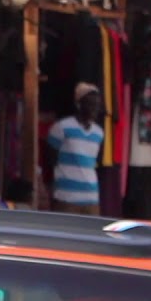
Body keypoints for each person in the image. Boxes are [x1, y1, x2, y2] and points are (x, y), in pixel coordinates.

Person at [46, 83, 104, 215]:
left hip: (91, 197)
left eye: (97, 105)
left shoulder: (98, 133)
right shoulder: (62, 127)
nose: (95, 109)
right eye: (90, 104)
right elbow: (51, 158)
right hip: (67, 197)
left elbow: (94, 163)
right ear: (79, 104)